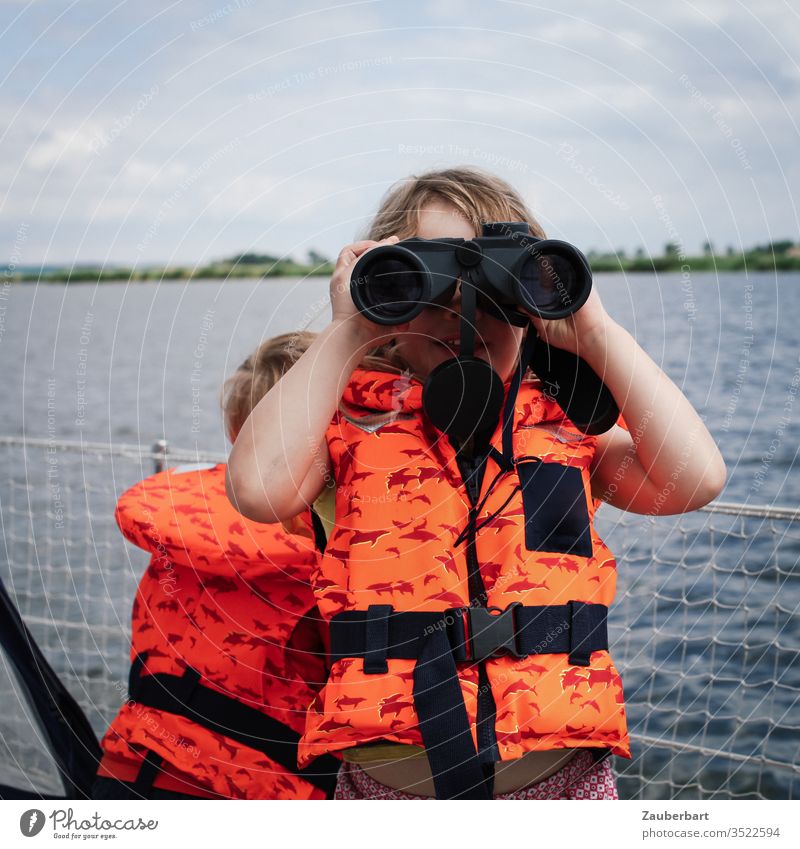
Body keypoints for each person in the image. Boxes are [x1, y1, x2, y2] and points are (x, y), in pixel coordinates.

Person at [225, 167, 727, 800]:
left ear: (535, 299)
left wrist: (595, 332)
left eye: (494, 287)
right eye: (427, 284)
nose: (461, 314)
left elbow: (695, 478)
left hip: (557, 785)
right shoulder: (347, 424)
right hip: (391, 792)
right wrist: (349, 328)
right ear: (384, 292)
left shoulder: (571, 429)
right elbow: (257, 490)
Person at [93, 331, 340, 800]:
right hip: (261, 794)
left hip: (130, 769)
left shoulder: (179, 521)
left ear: (235, 434)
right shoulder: (338, 545)